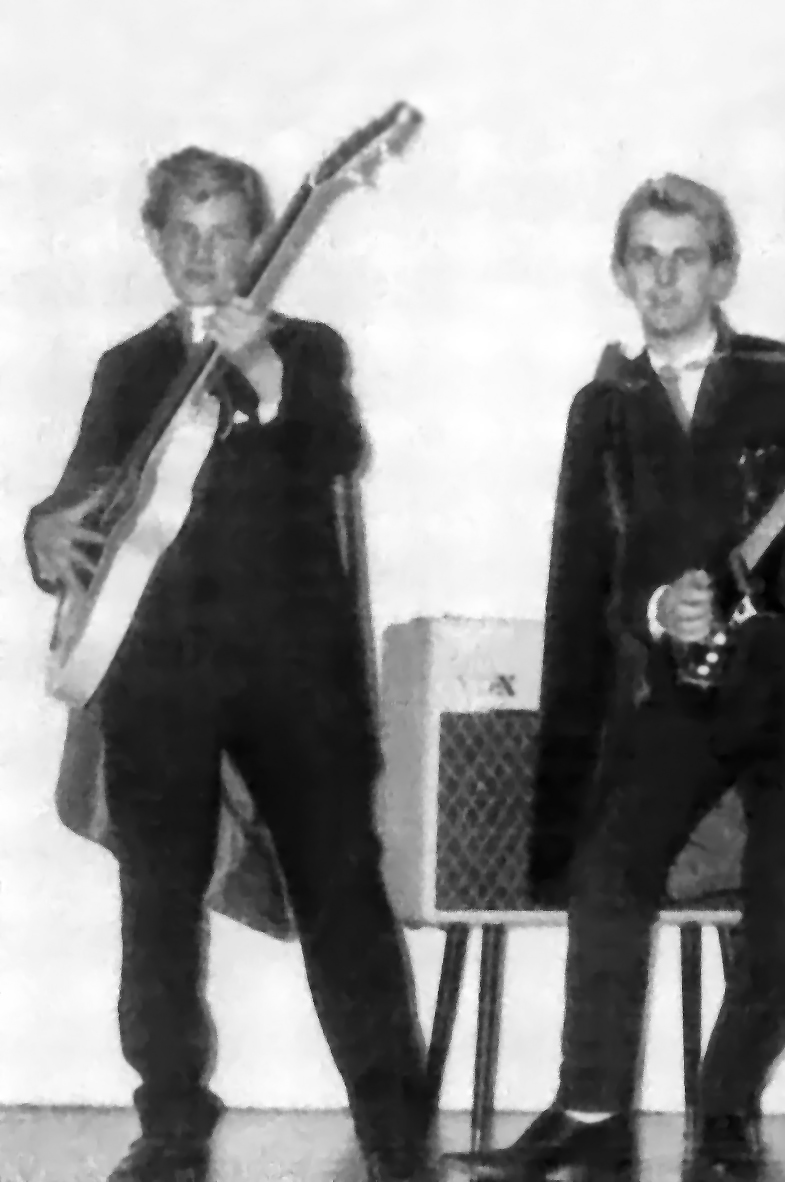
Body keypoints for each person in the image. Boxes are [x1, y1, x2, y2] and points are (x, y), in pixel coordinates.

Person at [443, 174, 785, 1181]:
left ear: (721, 269)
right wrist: (659, 612)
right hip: (680, 685)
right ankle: (591, 1107)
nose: (664, 275)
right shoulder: (600, 410)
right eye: (644, 256)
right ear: (620, 271)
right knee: (608, 872)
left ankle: (726, 1107)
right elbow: (592, 572)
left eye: (684, 255)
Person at [24, 148, 433, 1182]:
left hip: (298, 678)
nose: (206, 253)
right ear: (155, 243)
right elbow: (83, 494)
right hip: (158, 677)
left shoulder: (309, 349)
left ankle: (392, 1130)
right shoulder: (126, 367)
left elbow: (334, 448)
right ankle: (170, 1120)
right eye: (186, 234)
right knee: (153, 903)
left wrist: (263, 375)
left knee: (344, 895)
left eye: (226, 233)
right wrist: (42, 529)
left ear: (259, 243)